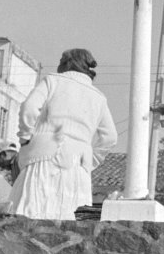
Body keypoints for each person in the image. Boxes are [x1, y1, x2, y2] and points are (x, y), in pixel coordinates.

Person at [8, 48, 117, 220]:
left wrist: (25, 136)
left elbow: (29, 107)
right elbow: (110, 137)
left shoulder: (53, 81)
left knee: (31, 211)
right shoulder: (99, 97)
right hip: (79, 164)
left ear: (67, 63)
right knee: (69, 216)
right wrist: (92, 159)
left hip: (44, 156)